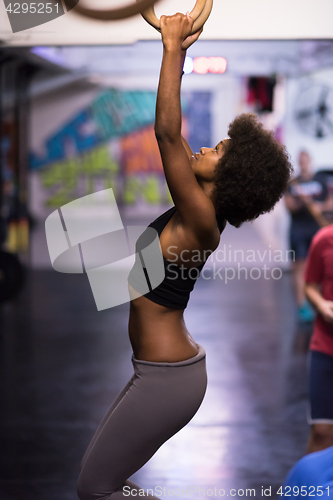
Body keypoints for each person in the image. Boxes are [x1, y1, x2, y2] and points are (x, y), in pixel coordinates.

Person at [77, 13, 292, 500]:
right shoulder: (197, 213)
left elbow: (167, 135)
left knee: (95, 488)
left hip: (166, 379)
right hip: (162, 372)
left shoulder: (200, 221)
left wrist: (171, 48)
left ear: (230, 178)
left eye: (217, 149)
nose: (204, 147)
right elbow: (175, 135)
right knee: (103, 484)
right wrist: (181, 52)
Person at [285, 151, 327, 323]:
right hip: (298, 230)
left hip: (317, 229)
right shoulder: (293, 184)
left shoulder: (320, 180)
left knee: (321, 267)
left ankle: (320, 303)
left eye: (305, 159)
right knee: (299, 267)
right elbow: (289, 207)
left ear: (309, 160)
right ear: (298, 162)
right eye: (300, 160)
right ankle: (302, 307)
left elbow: (330, 200)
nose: (303, 162)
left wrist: (320, 206)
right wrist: (301, 200)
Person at [304, 224, 333, 454]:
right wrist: (321, 304)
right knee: (322, 432)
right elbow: (310, 286)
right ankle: (309, 490)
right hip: (325, 347)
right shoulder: (324, 239)